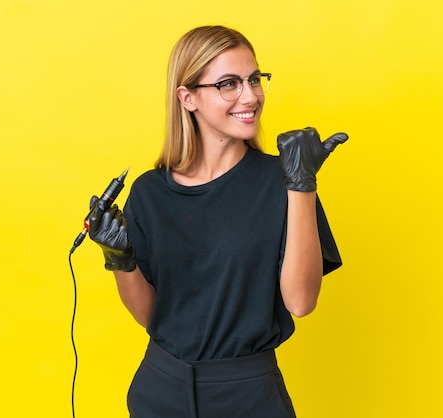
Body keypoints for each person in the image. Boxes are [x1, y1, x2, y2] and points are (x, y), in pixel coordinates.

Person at [88, 25, 348, 418]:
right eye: (229, 83)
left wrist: (302, 184)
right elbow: (149, 315)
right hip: (160, 387)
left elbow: (300, 302)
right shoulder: (149, 192)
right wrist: (118, 258)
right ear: (187, 97)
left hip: (247, 393)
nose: (251, 95)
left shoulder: (284, 180)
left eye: (255, 79)